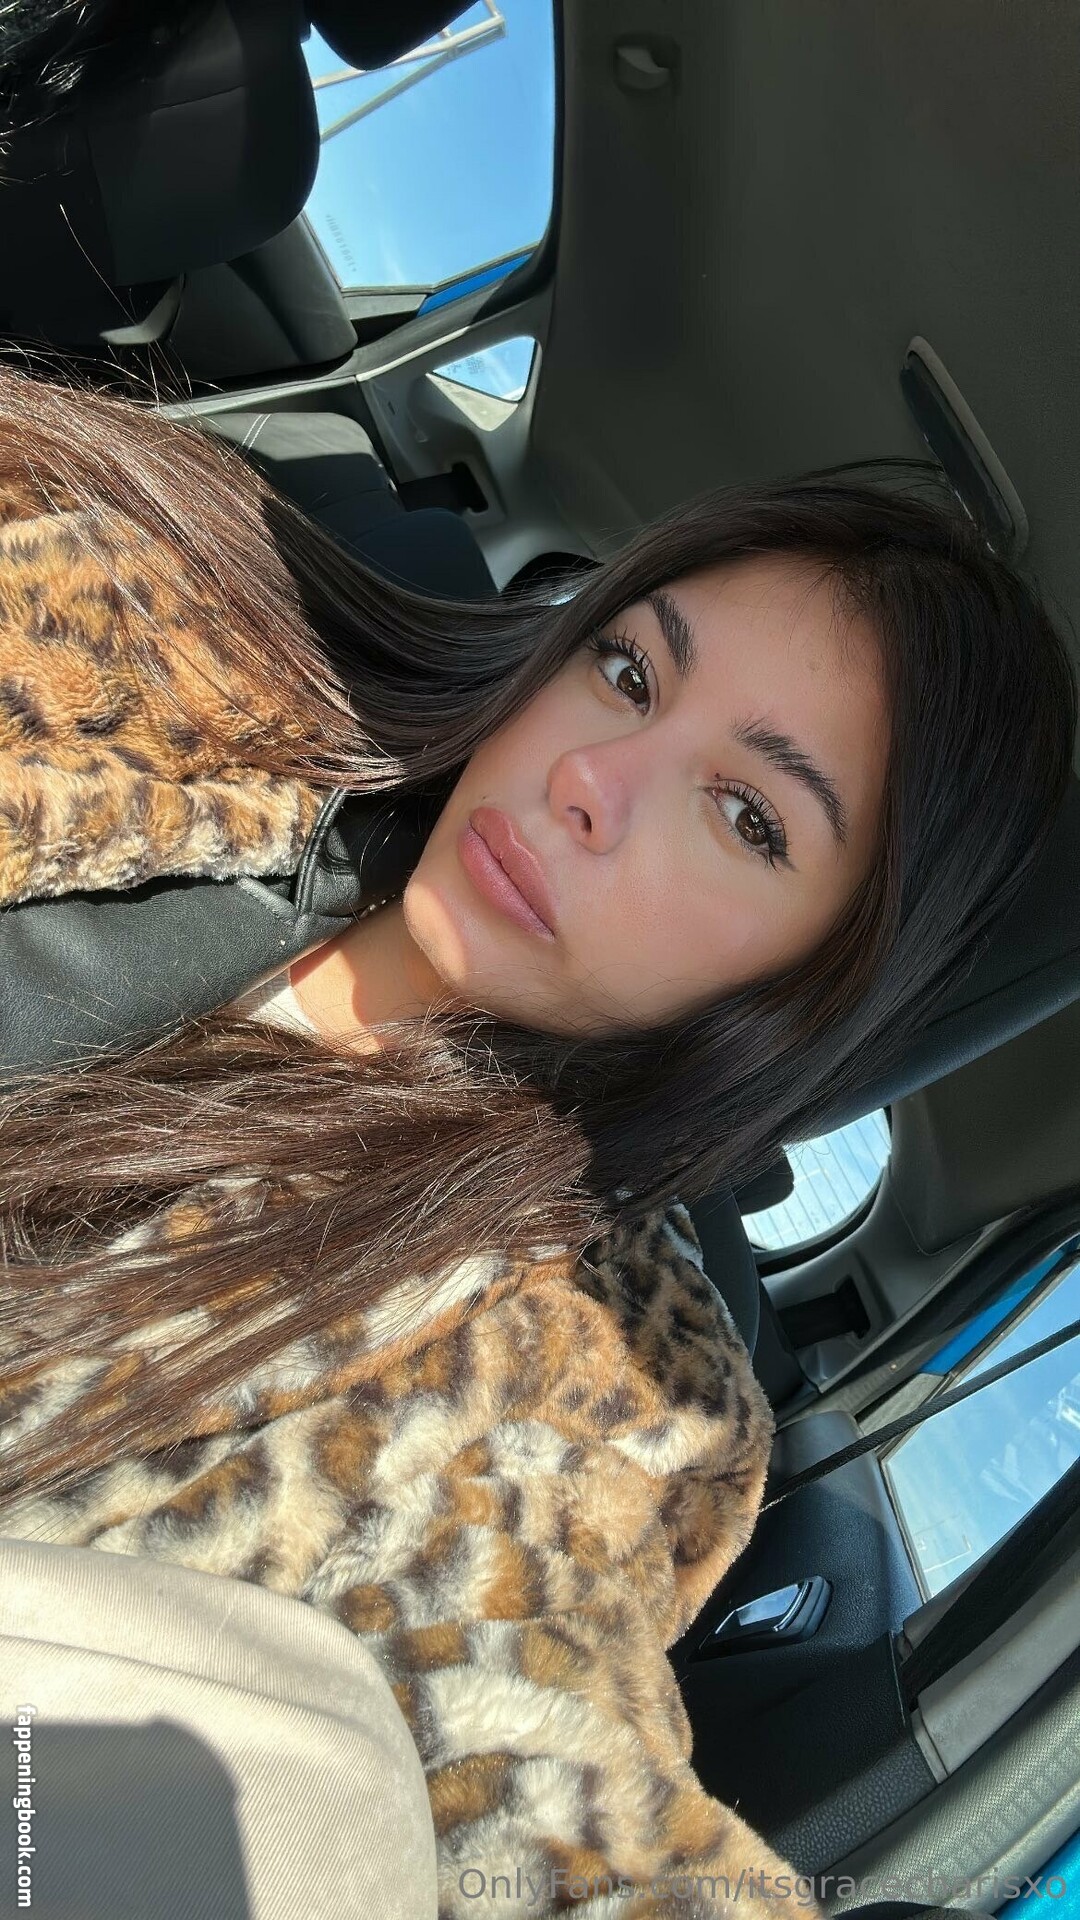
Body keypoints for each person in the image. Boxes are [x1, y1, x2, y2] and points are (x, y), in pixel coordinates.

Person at [0, 362, 1074, 1918]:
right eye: (630, 672)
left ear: (807, 992)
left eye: (749, 817)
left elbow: (528, 1751)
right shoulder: (162, 623)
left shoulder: (571, 1378)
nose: (590, 781)